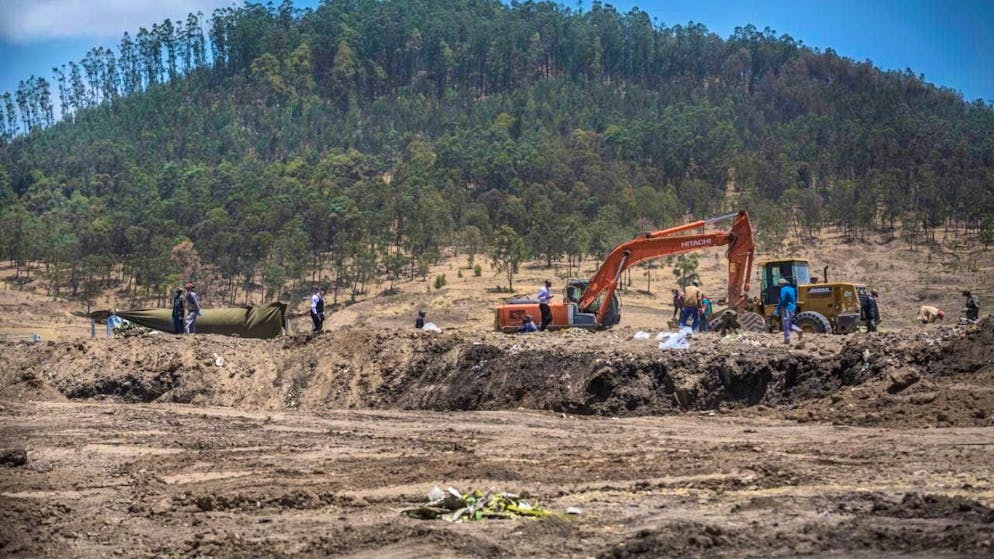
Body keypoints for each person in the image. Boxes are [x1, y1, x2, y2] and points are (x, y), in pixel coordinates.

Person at [776, 278, 803, 344]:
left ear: (782, 284)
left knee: (785, 324)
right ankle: (799, 330)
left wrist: (778, 309)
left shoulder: (783, 289)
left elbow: (782, 299)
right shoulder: (792, 289)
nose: (779, 286)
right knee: (789, 323)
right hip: (792, 308)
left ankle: (787, 340)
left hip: (786, 308)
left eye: (779, 285)